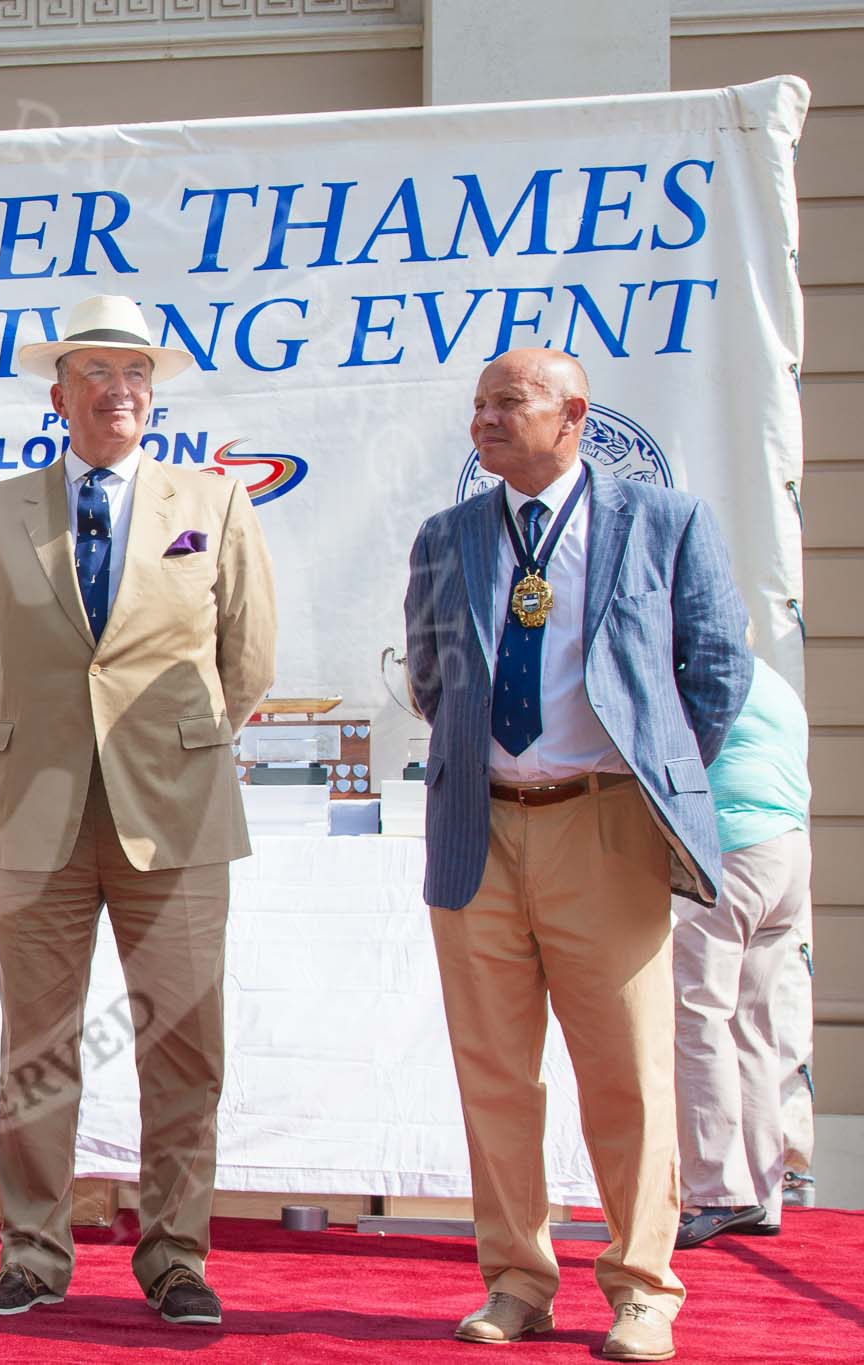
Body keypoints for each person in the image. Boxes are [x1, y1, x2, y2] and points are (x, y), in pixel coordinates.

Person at [403, 348, 751, 1362]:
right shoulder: (446, 538)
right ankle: (514, 1280)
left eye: (507, 402)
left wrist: (650, 771)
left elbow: (715, 670)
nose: (485, 421)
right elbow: (430, 676)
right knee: (493, 1074)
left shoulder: (663, 523)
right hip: (478, 824)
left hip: (603, 826)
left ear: (574, 416)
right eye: (475, 406)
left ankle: (641, 1287)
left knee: (624, 1074)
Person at [0, 295, 277, 1324]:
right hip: (36, 809)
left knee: (182, 1046)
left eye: (134, 372)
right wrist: (51, 736)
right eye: (94, 373)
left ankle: (175, 1256)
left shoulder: (212, 502)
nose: (117, 391)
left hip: (173, 813)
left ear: (154, 391)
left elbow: (247, 654)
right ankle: (31, 1255)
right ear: (57, 396)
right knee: (33, 1048)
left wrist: (169, 743)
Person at [672, 640, 812, 1248]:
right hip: (788, 854)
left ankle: (715, 1192)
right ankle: (762, 1192)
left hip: (731, 845)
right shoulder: (777, 685)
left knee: (696, 1012)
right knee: (753, 1026)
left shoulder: (707, 675)